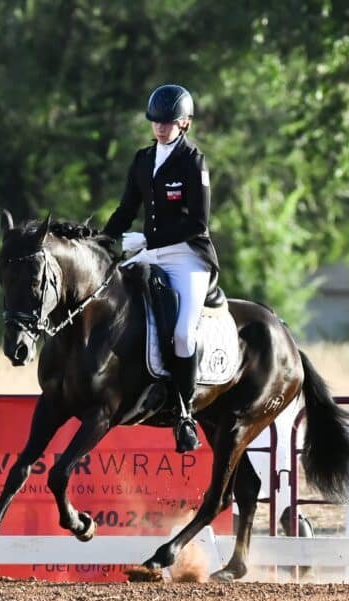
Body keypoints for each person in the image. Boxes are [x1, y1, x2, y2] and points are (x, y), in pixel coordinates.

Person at [103, 83, 221, 453]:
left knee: (184, 334)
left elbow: (197, 223)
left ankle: (184, 413)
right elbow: (126, 211)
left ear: (184, 123)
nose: (161, 128)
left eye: (168, 123)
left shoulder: (193, 162)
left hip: (187, 256)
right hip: (150, 253)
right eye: (156, 122)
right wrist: (101, 242)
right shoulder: (142, 160)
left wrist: (147, 242)